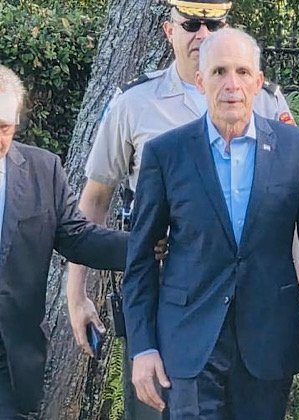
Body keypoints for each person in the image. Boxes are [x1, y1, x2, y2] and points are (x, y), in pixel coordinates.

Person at [123, 28, 299, 419]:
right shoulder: (166, 153)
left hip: (267, 341)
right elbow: (140, 260)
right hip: (188, 342)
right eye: (219, 72)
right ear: (200, 82)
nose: (231, 84)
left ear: (258, 82)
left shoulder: (297, 150)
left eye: (242, 72)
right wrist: (143, 347)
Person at [67, 0, 299, 357]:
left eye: (214, 25)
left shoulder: (264, 101)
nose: (203, 35)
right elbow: (96, 197)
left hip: (252, 298)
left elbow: (291, 206)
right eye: (191, 25)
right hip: (163, 291)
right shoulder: (134, 103)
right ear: (169, 31)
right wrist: (77, 295)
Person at [0, 65, 129, 418]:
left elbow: (78, 238)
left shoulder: (42, 170)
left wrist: (146, 246)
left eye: (4, 128)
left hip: (9, 361)